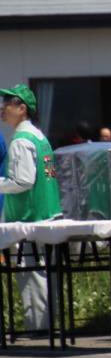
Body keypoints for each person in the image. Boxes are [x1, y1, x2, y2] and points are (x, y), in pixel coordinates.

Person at [0, 84, 63, 330]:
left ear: (22, 109)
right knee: (49, 273)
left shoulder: (21, 140)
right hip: (48, 213)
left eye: (8, 104)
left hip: (29, 218)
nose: (3, 109)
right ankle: (50, 323)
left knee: (32, 274)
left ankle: (39, 327)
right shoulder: (39, 136)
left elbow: (22, 181)